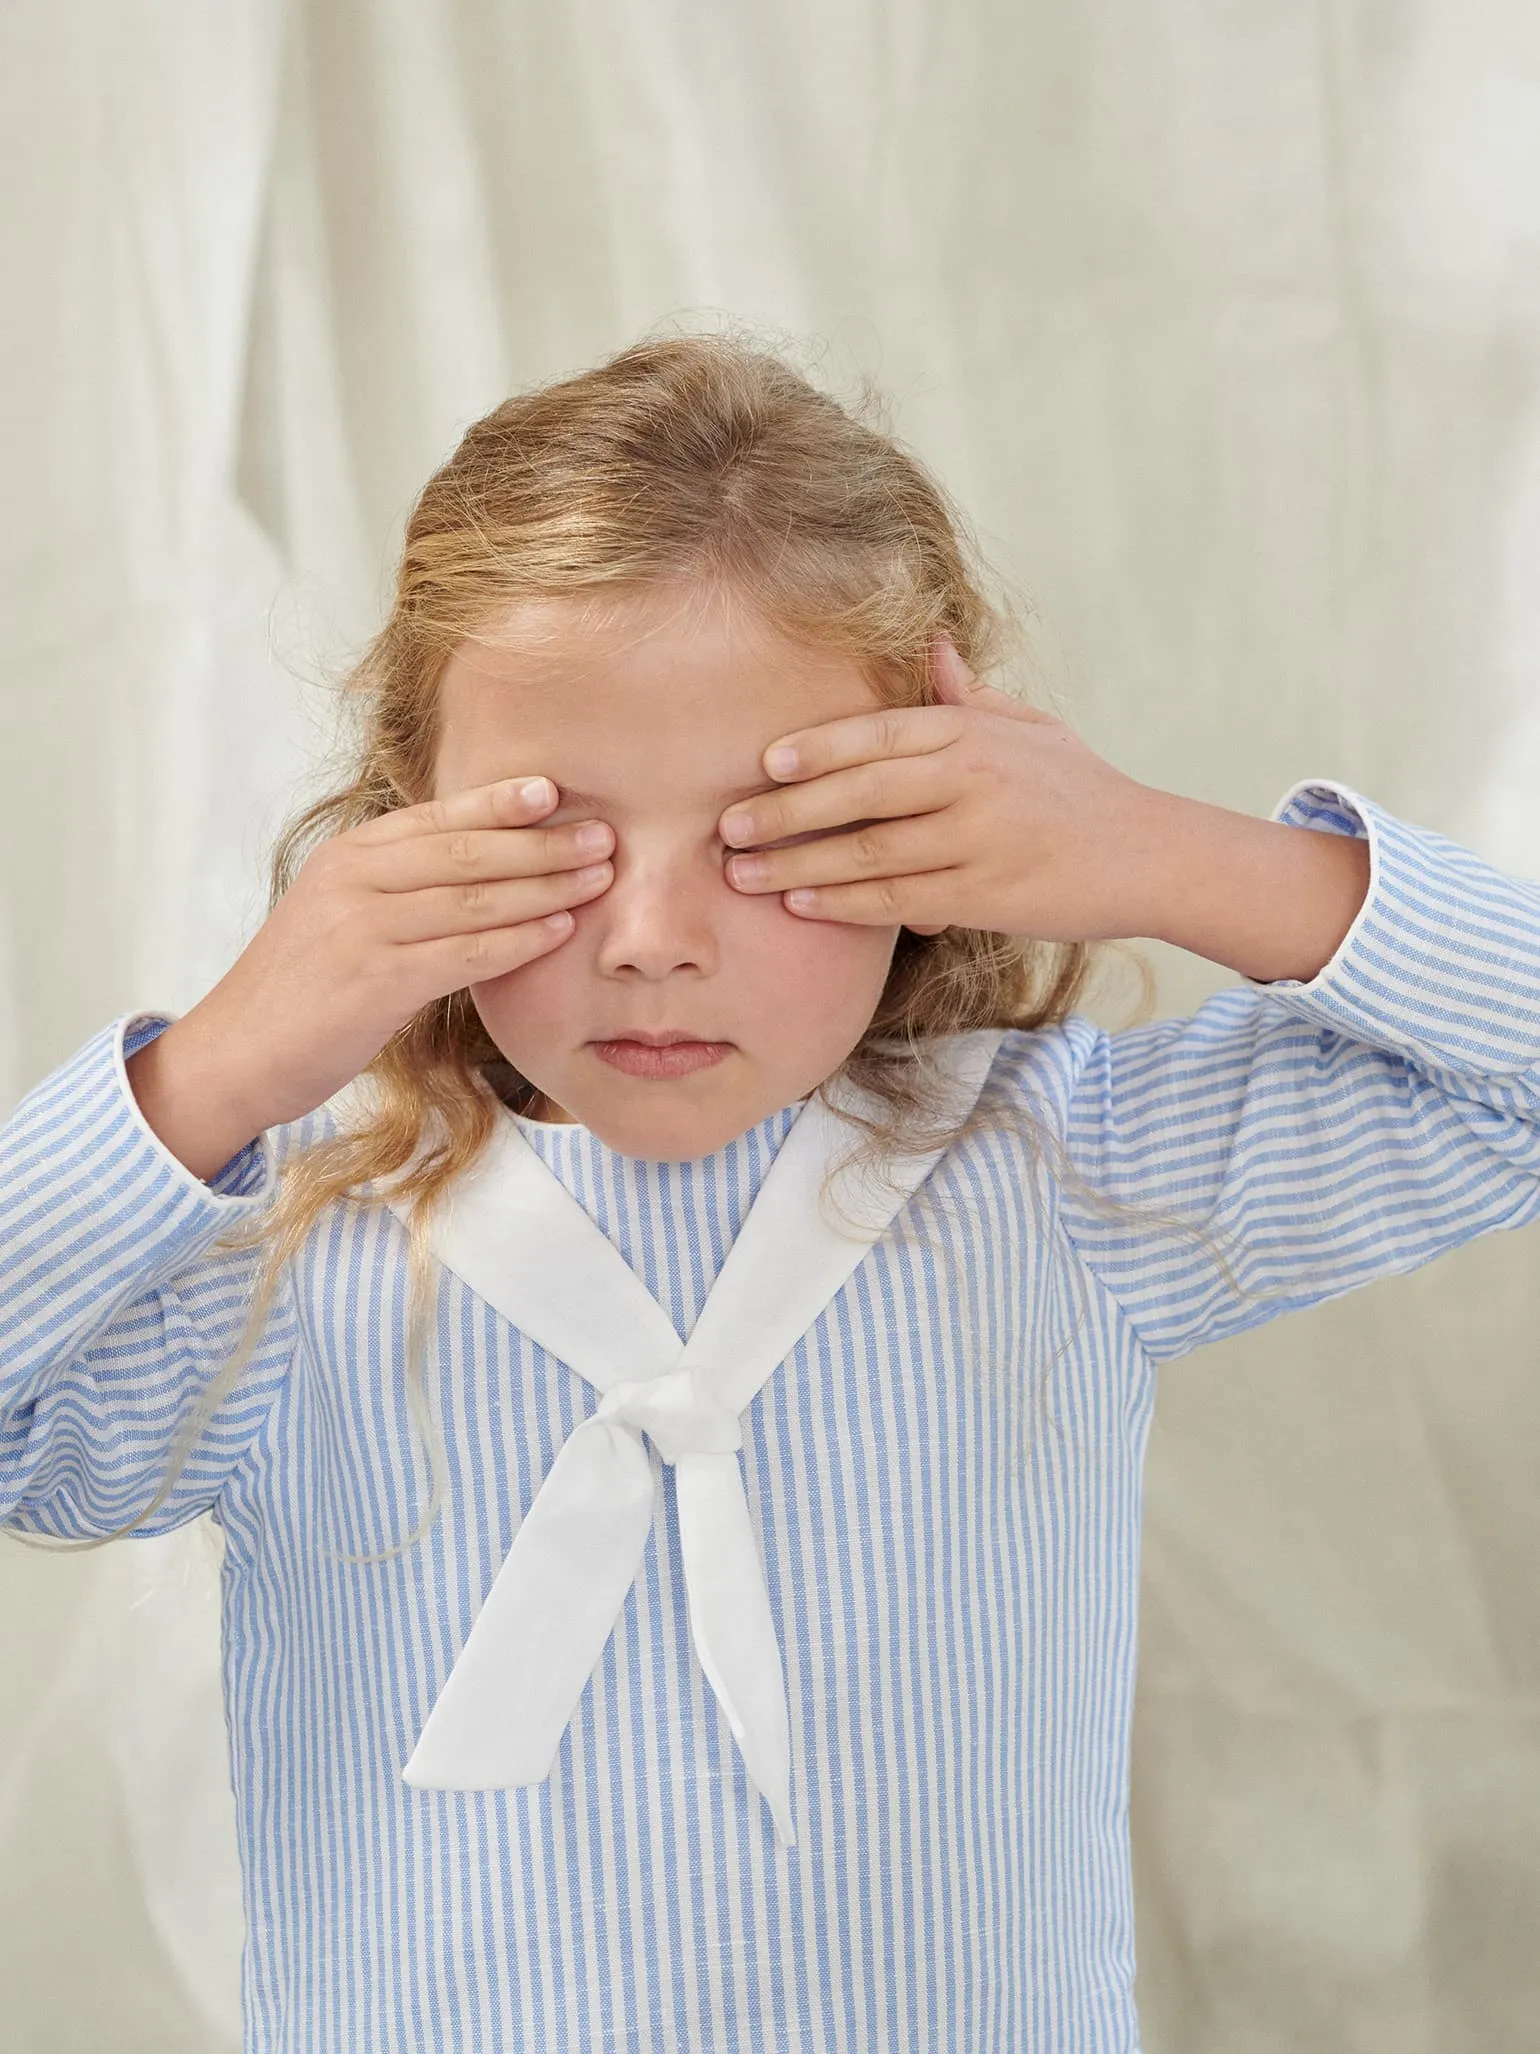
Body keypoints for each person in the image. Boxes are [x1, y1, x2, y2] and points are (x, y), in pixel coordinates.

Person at [3, 332, 1537, 2054]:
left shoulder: (1059, 1171)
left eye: (771, 836)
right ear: (401, 827)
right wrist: (209, 1073)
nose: (655, 935)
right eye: (551, 839)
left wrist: (1155, 850)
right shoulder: (285, 1248)